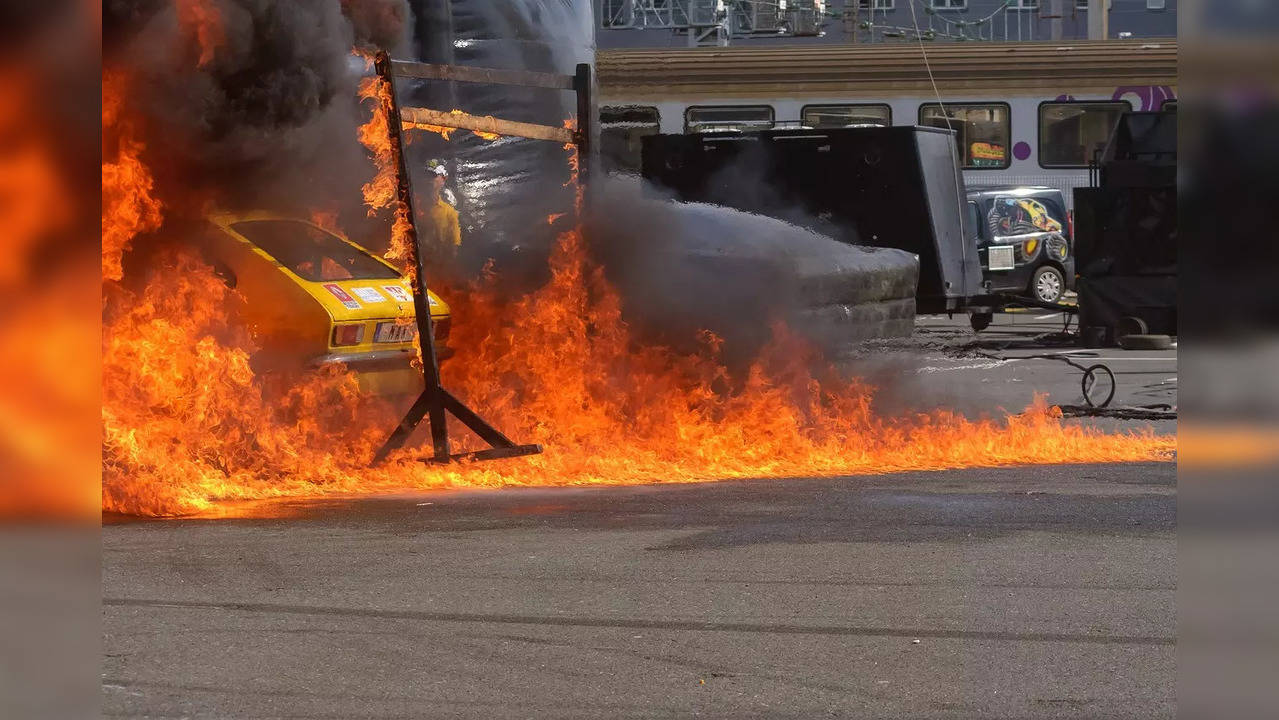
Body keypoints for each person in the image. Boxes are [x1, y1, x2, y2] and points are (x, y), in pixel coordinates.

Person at [424, 159, 460, 255]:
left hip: (437, 258)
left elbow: (455, 241)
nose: (429, 180)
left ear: (443, 179)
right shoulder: (413, 201)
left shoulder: (449, 211)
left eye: (434, 176)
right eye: (427, 176)